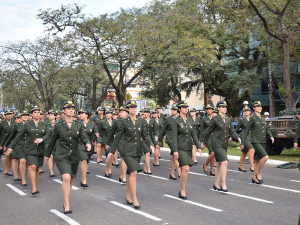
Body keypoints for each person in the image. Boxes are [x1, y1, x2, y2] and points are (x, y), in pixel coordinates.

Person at [44, 101, 91, 214]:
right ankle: (67, 204)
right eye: (68, 108)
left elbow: (84, 136)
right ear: (63, 111)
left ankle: (66, 201)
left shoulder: (78, 124)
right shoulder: (59, 125)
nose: (71, 110)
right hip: (62, 155)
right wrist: (47, 155)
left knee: (70, 180)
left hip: (74, 155)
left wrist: (88, 143)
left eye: (72, 108)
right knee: (65, 177)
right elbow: (53, 140)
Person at [106, 100, 154, 209]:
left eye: (135, 107)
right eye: (131, 107)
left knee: (131, 174)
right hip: (127, 151)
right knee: (134, 173)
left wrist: (150, 144)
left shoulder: (141, 121)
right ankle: (135, 198)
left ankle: (127, 196)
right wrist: (111, 151)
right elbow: (117, 138)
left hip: (137, 151)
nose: (133, 108)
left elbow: (145, 135)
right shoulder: (123, 122)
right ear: (127, 109)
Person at [7, 106, 50, 194]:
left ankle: (35, 184)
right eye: (35, 112)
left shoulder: (44, 124)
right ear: (32, 114)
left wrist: (42, 139)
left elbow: (48, 134)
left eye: (38, 112)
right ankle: (33, 187)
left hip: (40, 149)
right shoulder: (27, 124)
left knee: (37, 168)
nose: (37, 114)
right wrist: (10, 147)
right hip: (30, 149)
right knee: (33, 166)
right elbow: (18, 136)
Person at [202, 101, 241, 192]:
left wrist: (238, 138)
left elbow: (232, 131)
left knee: (219, 164)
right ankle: (223, 184)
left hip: (224, 144)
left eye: (225, 107)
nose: (225, 108)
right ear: (218, 108)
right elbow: (209, 132)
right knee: (225, 162)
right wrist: (203, 142)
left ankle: (216, 184)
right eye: (222, 107)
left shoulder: (227, 119)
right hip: (216, 144)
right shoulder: (215, 119)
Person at [172, 101, 202, 199]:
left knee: (186, 169)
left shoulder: (190, 121)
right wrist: (175, 150)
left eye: (186, 107)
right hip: (180, 148)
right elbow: (174, 137)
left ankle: (181, 189)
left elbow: (194, 135)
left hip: (188, 147)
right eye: (183, 107)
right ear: (179, 109)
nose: (186, 108)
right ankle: (183, 190)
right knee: (185, 168)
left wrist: (198, 147)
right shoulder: (176, 121)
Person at [241, 101, 274, 184]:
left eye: (260, 106)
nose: (260, 107)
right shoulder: (252, 118)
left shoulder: (262, 118)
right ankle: (258, 174)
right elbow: (246, 130)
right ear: (254, 108)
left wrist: (271, 136)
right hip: (256, 141)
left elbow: (266, 129)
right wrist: (242, 142)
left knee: (258, 160)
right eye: (257, 106)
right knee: (265, 157)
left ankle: (254, 178)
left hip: (263, 141)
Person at [157, 104, 181, 179]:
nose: (172, 111)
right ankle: (180, 171)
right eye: (172, 109)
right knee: (176, 155)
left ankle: (172, 174)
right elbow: (163, 130)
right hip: (170, 139)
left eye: (174, 109)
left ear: (178, 110)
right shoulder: (168, 119)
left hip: (178, 139)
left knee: (174, 156)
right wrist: (160, 140)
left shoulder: (181, 119)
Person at [106, 106, 129, 183]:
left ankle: (121, 175)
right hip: (120, 141)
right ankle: (124, 177)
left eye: (123, 112)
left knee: (125, 159)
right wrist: (107, 143)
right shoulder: (116, 122)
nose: (121, 113)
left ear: (126, 113)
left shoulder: (130, 121)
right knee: (124, 158)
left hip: (128, 141)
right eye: (120, 112)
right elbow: (111, 133)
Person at [77, 108, 99, 187]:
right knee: (84, 161)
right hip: (80, 145)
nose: (81, 115)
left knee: (87, 161)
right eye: (80, 113)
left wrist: (95, 139)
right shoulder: (77, 123)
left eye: (83, 113)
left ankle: (82, 179)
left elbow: (96, 133)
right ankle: (84, 179)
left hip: (90, 145)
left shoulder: (92, 124)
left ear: (87, 115)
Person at [235, 106, 254, 172]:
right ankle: (252, 166)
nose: (246, 112)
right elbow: (237, 129)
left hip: (251, 137)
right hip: (244, 137)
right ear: (243, 112)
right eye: (245, 111)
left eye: (247, 111)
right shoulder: (242, 120)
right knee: (251, 149)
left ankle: (240, 167)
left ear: (250, 112)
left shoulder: (252, 119)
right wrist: (233, 136)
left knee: (244, 152)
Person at [4, 113, 23, 181]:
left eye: (20, 118)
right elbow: (10, 136)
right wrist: (5, 145)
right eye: (17, 118)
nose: (19, 120)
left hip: (22, 145)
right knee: (15, 159)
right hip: (14, 145)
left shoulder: (25, 125)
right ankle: (15, 175)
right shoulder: (14, 126)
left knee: (21, 161)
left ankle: (19, 175)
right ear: (15, 120)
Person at [200, 104, 215, 176]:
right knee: (213, 153)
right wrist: (201, 141)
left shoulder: (215, 118)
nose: (208, 110)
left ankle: (212, 170)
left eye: (210, 109)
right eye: (207, 109)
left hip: (214, 137)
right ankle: (205, 165)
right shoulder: (204, 119)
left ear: (212, 110)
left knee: (213, 155)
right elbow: (201, 130)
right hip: (207, 138)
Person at [0, 110, 16, 176]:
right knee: (7, 155)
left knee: (10, 156)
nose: (9, 115)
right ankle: (6, 169)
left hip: (12, 141)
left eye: (10, 114)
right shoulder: (2, 123)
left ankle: (9, 170)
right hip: (5, 141)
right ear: (5, 115)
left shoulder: (14, 122)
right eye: (7, 114)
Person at [142, 108, 156, 173]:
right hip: (143, 139)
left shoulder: (152, 121)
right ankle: (149, 169)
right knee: (147, 153)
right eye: (144, 112)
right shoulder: (141, 121)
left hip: (150, 139)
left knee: (147, 154)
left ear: (149, 113)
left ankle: (145, 168)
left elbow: (155, 130)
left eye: (147, 112)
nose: (145, 113)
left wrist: (156, 136)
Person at [46, 110, 57, 177]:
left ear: (55, 116)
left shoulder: (58, 124)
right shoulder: (46, 124)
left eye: (52, 115)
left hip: (56, 143)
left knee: (54, 158)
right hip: (49, 143)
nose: (50, 116)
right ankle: (51, 172)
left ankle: (51, 169)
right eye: (49, 115)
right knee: (50, 156)